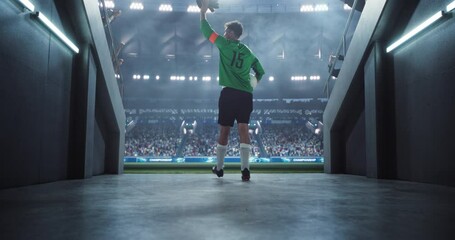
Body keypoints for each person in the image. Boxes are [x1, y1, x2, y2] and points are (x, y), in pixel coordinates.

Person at [199, 0, 265, 181]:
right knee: (244, 128)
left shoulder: (224, 44)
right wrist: (254, 82)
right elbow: (261, 71)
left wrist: (203, 12)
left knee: (224, 130)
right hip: (245, 94)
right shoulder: (249, 52)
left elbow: (206, 30)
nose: (224, 33)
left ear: (232, 34)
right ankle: (245, 170)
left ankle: (219, 168)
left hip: (229, 94)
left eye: (227, 31)